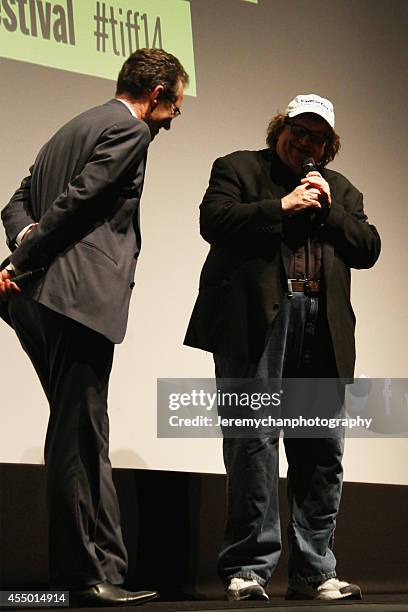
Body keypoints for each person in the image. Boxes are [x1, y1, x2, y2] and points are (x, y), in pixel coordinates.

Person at [0, 48, 188, 607]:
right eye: (174, 107)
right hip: (73, 299)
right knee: (78, 432)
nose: (173, 121)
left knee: (86, 428)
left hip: (39, 299)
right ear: (155, 96)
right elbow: (80, 204)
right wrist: (24, 260)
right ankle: (81, 577)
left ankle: (105, 564)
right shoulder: (129, 132)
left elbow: (15, 203)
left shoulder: (71, 127)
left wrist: (22, 250)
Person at [184, 94, 380, 601]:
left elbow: (368, 249)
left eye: (318, 136)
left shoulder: (341, 190)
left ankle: (315, 571)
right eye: (299, 130)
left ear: (328, 145)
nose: (306, 141)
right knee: (254, 445)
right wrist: (282, 206)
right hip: (257, 327)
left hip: (320, 328)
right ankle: (248, 569)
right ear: (280, 128)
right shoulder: (238, 168)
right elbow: (214, 222)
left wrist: (331, 213)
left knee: (320, 453)